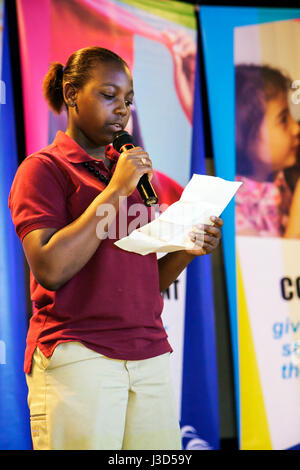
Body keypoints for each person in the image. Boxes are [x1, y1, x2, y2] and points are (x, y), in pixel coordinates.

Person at [8, 46, 223, 451]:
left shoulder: (130, 172)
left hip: (150, 352)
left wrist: (186, 248)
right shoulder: (44, 170)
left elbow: (146, 283)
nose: (122, 110)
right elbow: (50, 268)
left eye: (128, 100)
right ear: (72, 94)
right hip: (79, 354)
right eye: (109, 95)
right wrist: (115, 189)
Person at [235, 64, 300, 237]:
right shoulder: (232, 204)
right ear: (245, 134)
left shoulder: (284, 181)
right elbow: (268, 263)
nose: (296, 129)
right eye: (283, 119)